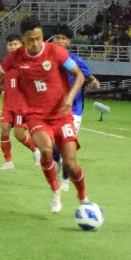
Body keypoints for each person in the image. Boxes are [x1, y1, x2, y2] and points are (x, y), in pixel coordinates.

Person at [0, 18, 91, 214]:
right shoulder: (15, 58)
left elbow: (79, 74)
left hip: (61, 115)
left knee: (71, 164)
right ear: (24, 39)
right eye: (31, 40)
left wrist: (70, 96)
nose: (35, 43)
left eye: (38, 38)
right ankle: (55, 191)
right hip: (36, 115)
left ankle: (83, 197)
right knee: (46, 150)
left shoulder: (56, 52)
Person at [50, 26, 100, 191]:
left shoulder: (74, 60)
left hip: (74, 110)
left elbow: (86, 74)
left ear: (69, 41)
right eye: (57, 37)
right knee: (52, 149)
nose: (60, 41)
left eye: (63, 38)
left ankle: (65, 181)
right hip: (52, 109)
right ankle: (56, 162)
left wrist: (93, 81)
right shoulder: (47, 60)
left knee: (66, 146)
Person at [0, 34, 41, 170]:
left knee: (19, 135)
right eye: (10, 45)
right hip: (8, 103)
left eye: (15, 44)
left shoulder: (27, 61)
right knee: (4, 130)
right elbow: (0, 80)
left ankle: (36, 150)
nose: (12, 47)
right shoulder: (5, 62)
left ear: (21, 45)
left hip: (22, 106)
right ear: (7, 46)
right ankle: (8, 162)